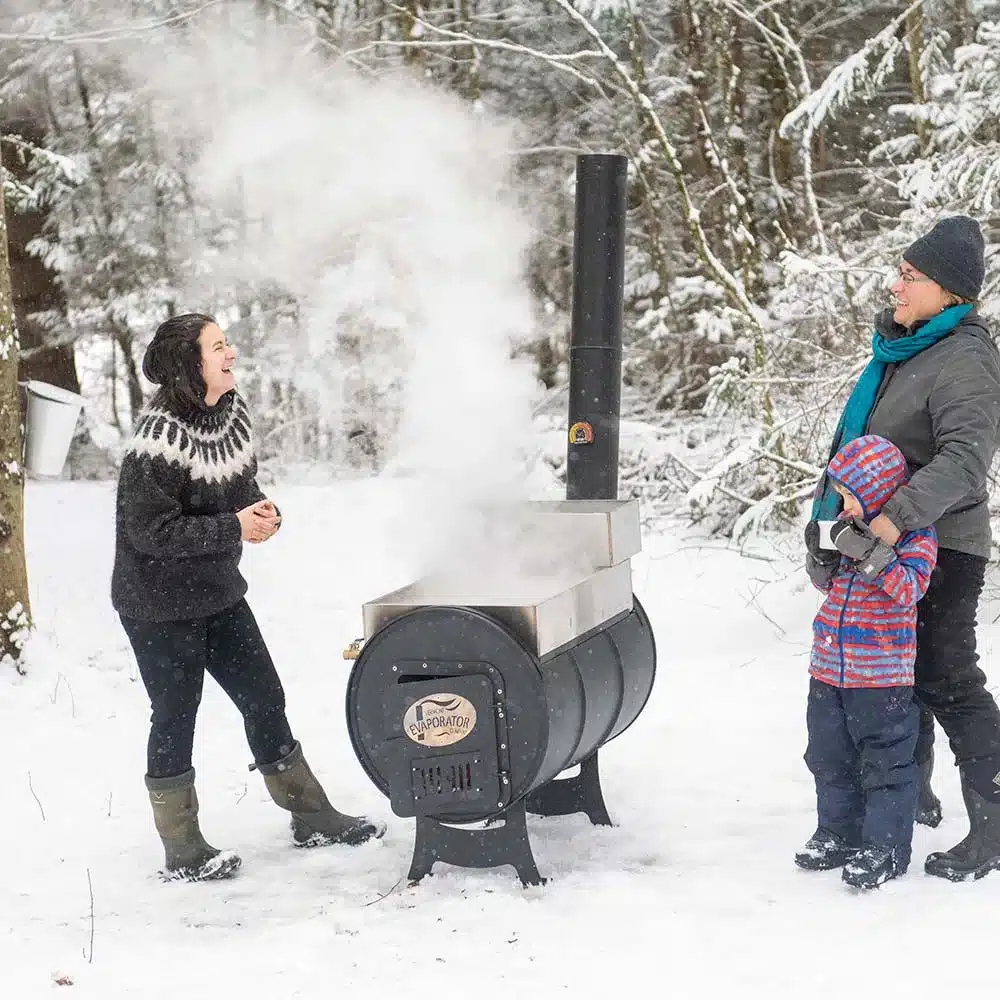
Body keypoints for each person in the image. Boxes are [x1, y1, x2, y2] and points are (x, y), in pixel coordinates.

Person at [112, 312, 385, 881]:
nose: (230, 353)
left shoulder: (231, 414)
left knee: (264, 696)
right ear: (192, 364)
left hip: (216, 591)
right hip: (157, 604)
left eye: (226, 343)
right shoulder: (156, 439)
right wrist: (234, 528)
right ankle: (182, 848)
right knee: (175, 715)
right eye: (218, 347)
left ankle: (310, 815)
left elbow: (238, 489)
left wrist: (261, 512)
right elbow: (150, 533)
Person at [806, 215, 1000, 881]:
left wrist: (892, 519)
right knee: (898, 673)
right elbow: (856, 448)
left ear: (949, 291)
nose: (895, 285)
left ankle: (995, 827)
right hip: (874, 540)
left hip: (940, 544)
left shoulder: (966, 357)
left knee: (946, 676)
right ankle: (908, 798)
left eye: (910, 276)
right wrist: (831, 526)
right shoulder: (904, 351)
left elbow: (965, 460)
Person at [798, 435, 937, 889]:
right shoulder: (846, 529)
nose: (842, 506)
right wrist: (822, 562)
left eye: (848, 496)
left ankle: (886, 846)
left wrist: (871, 554)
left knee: (886, 763)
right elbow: (834, 590)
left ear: (877, 491)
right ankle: (838, 832)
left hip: (881, 678)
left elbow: (909, 589)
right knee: (828, 756)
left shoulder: (916, 536)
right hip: (829, 669)